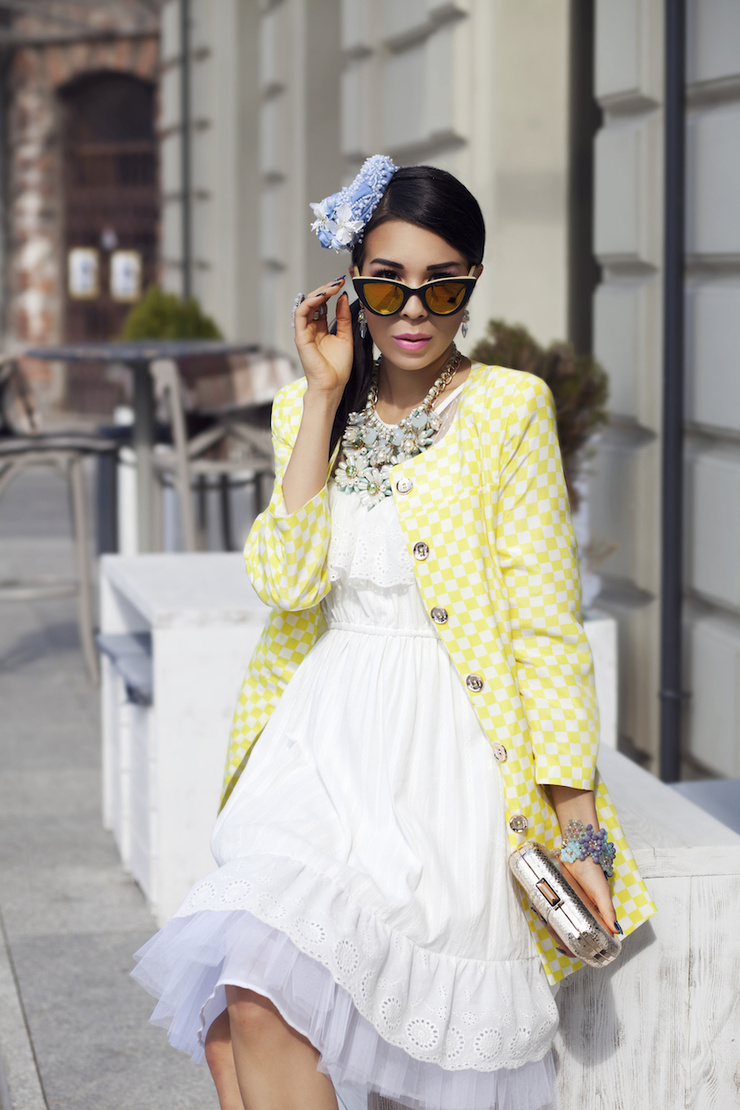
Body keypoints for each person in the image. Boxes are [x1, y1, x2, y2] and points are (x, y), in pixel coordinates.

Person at [133, 156, 655, 1110]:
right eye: (387, 285)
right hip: (321, 747)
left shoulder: (508, 409)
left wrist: (581, 836)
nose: (414, 311)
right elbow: (285, 583)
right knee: (248, 999)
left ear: (471, 287)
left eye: (442, 287)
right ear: (350, 288)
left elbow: (547, 630)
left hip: (449, 762)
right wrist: (321, 397)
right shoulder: (307, 409)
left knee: (350, 1043)